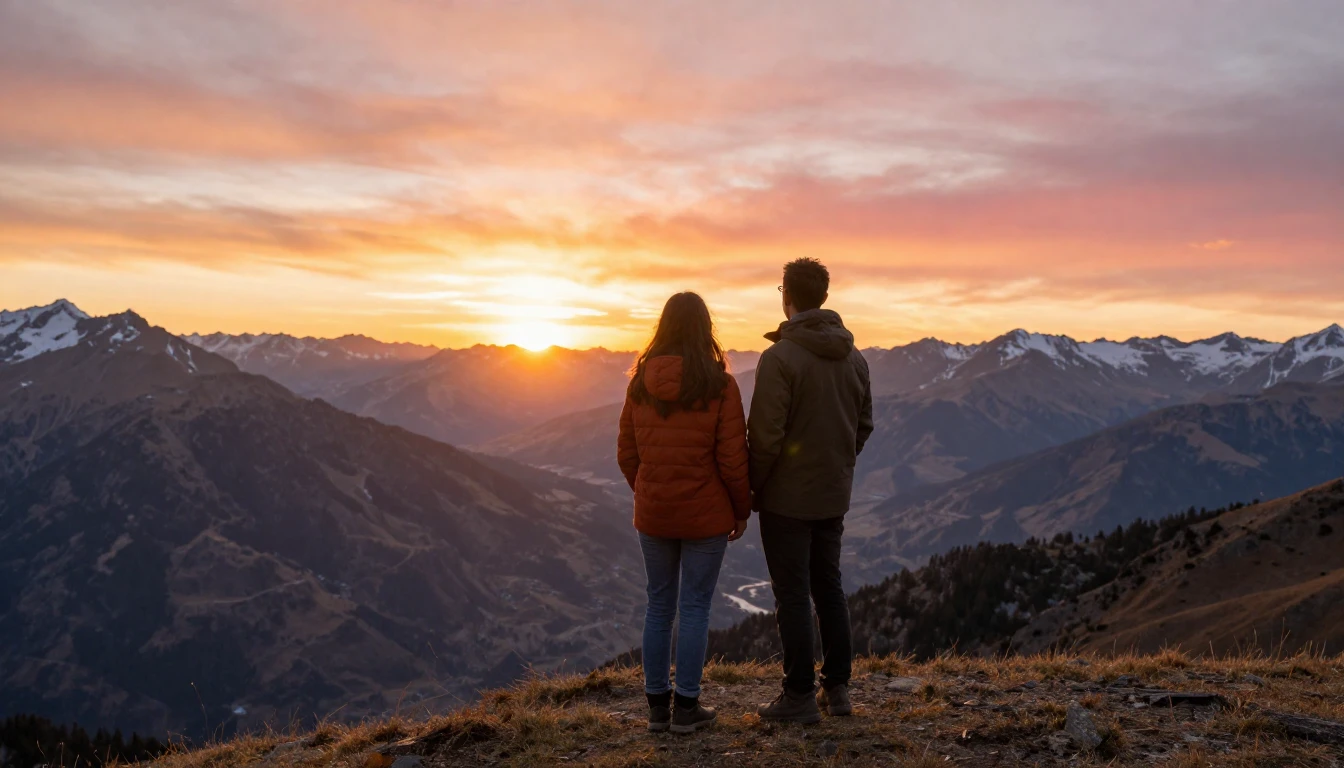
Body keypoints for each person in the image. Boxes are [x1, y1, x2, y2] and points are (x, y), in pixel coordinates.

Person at [617, 291, 752, 734]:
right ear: (704, 329)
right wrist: (740, 510)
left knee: (658, 606)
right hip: (706, 517)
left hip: (654, 515)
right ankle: (687, 709)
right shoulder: (720, 385)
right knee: (694, 608)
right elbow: (733, 460)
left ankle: (657, 709)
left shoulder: (639, 383)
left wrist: (650, 490)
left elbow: (626, 453)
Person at [750, 258, 873, 724]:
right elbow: (864, 425)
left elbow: (765, 437)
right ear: (822, 295)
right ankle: (838, 691)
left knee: (794, 594)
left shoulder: (780, 358)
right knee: (829, 586)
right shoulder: (855, 358)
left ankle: (799, 695)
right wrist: (840, 465)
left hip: (787, 499)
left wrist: (755, 488)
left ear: (787, 296)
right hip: (832, 494)